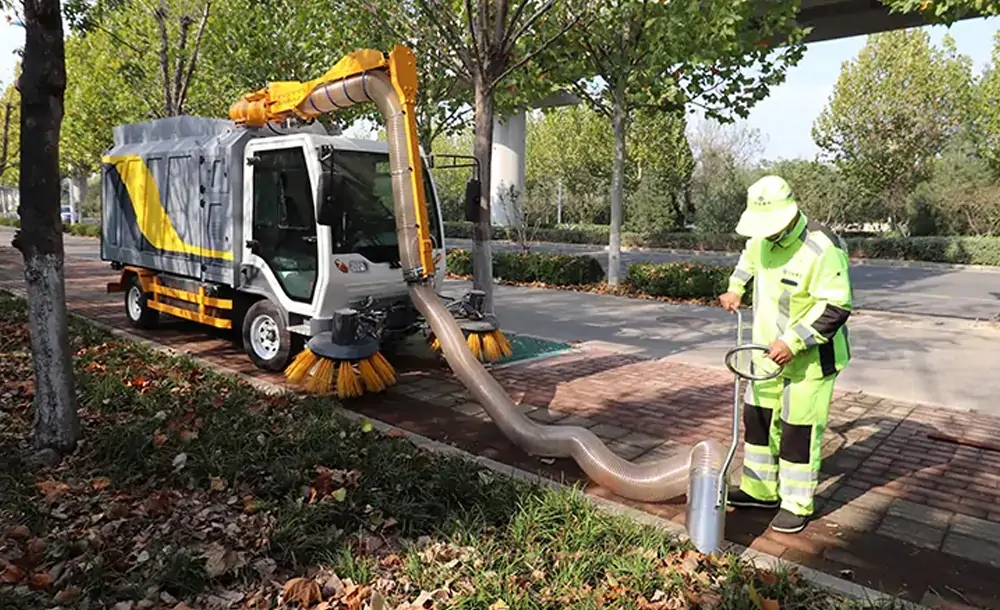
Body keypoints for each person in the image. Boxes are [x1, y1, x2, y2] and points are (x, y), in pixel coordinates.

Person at [718, 175, 853, 534]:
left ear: (790, 214)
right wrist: (735, 288)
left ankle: (796, 503)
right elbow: (748, 259)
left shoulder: (823, 247)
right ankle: (759, 490)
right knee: (758, 420)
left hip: (809, 361)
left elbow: (836, 307)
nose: (766, 234)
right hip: (764, 352)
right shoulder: (761, 239)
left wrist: (792, 342)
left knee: (798, 432)